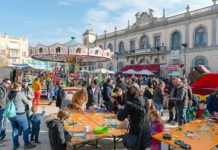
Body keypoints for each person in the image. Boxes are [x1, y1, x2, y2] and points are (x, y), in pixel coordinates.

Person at [7, 82, 35, 150]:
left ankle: (16, 145)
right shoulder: (20, 94)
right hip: (20, 114)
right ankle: (27, 144)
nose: (21, 87)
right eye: (20, 86)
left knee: (15, 130)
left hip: (11, 115)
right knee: (25, 129)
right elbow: (27, 102)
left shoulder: (9, 93)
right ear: (17, 87)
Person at [0, 78, 11, 142]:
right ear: (4, 82)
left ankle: (3, 136)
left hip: (5, 108)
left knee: (4, 122)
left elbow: (7, 98)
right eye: (8, 83)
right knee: (0, 123)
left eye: (10, 83)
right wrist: (1, 104)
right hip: (1, 108)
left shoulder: (6, 89)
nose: (9, 85)